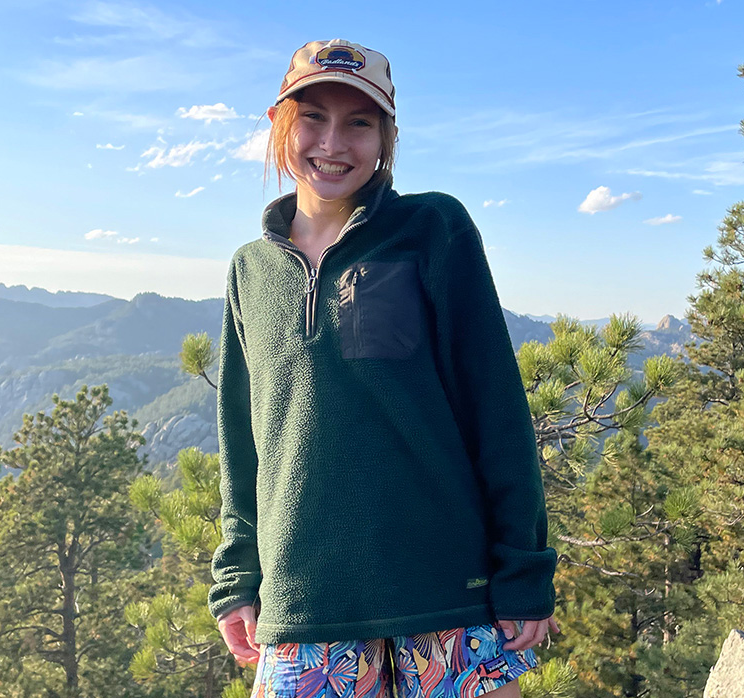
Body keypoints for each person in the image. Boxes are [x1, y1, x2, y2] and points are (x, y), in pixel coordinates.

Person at [208, 38, 559, 698]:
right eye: (312, 116)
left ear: (386, 136)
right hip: (304, 606)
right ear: (280, 125)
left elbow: (497, 410)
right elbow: (242, 444)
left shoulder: (433, 230)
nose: (333, 143)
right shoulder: (248, 272)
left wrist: (524, 568)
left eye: (359, 122)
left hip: (447, 601)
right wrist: (237, 576)